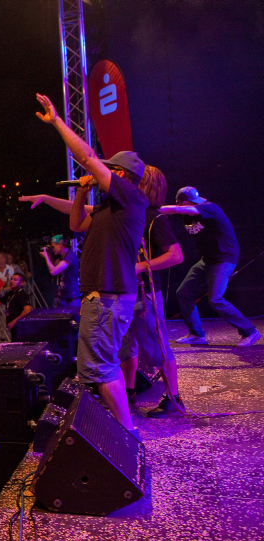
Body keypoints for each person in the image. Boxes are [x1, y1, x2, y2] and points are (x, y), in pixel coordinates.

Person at [36, 92, 148, 435]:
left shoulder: (130, 198)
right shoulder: (107, 210)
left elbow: (85, 156)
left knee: (100, 367)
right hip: (106, 298)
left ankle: (126, 432)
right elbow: (74, 225)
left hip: (109, 296)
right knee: (103, 364)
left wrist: (57, 121)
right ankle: (124, 428)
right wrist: (82, 193)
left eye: (109, 168)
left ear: (121, 175)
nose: (102, 171)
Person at [118, 166, 186, 417]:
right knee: (126, 347)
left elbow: (176, 255)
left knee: (157, 348)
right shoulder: (128, 213)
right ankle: (129, 391)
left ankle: (174, 397)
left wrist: (138, 266)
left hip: (144, 294)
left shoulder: (153, 217)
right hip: (123, 293)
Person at [159, 187, 260, 347]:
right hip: (207, 260)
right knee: (184, 293)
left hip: (224, 259)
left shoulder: (210, 207)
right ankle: (197, 334)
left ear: (183, 203)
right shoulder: (186, 216)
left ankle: (249, 331)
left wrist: (154, 208)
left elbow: (188, 209)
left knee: (215, 299)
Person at [39, 235, 81, 309]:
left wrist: (46, 257)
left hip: (71, 300)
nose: (52, 249)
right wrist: (49, 257)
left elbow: (53, 271)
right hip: (61, 298)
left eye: (53, 246)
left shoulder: (70, 256)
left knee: (73, 320)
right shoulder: (62, 257)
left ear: (60, 245)